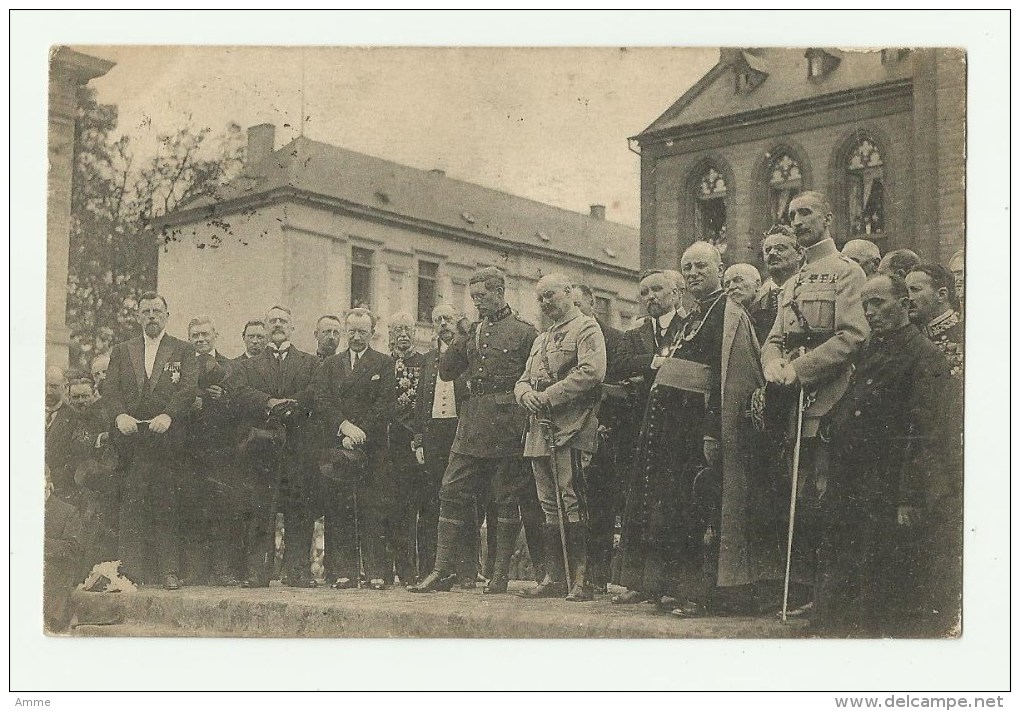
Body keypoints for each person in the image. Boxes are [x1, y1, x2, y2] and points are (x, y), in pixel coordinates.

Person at [616, 242, 779, 616]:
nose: (692, 274)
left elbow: (729, 381)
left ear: (719, 269)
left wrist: (712, 431)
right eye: (687, 268)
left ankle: (702, 595)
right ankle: (671, 587)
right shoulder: (696, 313)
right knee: (674, 509)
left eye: (701, 267)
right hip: (673, 432)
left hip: (699, 429)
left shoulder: (729, 312)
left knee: (699, 509)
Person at [814, 275, 957, 637]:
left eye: (878, 303)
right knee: (849, 566)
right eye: (866, 305)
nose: (871, 312)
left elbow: (926, 434)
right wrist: (831, 423)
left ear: (905, 306)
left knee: (880, 578)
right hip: (855, 481)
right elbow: (856, 399)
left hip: (888, 485)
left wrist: (909, 497)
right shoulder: (874, 350)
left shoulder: (924, 355)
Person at [760, 191, 869, 616]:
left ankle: (831, 596)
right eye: (792, 215)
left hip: (831, 396)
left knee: (827, 493)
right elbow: (774, 338)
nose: (799, 220)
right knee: (799, 493)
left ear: (827, 217)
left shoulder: (847, 272)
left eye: (806, 213)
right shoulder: (793, 282)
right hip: (794, 401)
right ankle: (807, 591)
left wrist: (801, 369)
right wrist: (772, 365)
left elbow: (853, 336)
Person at [409, 267, 537, 595]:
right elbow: (448, 370)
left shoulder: (524, 333)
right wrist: (465, 333)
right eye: (474, 297)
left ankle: (499, 575)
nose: (477, 302)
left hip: (507, 424)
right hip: (471, 424)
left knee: (505, 499)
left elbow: (534, 377)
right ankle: (441, 571)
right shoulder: (475, 331)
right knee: (450, 491)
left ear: (500, 292)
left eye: (483, 296)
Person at [514, 274, 606, 601]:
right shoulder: (541, 338)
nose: (545, 302)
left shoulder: (586, 328)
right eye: (540, 298)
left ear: (568, 293)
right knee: (548, 504)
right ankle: (555, 576)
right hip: (539, 429)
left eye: (550, 295)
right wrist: (524, 394)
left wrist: (549, 395)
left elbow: (592, 371)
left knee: (573, 498)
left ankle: (581, 579)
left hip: (572, 425)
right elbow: (523, 379)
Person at [103, 291, 198, 589]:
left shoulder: (183, 350)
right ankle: (131, 571)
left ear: (167, 315)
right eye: (146, 312)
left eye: (157, 311)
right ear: (139, 317)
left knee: (166, 502)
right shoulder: (122, 350)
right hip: (132, 441)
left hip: (167, 441)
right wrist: (119, 416)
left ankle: (169, 570)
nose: (152, 316)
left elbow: (188, 388)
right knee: (131, 503)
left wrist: (168, 416)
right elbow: (111, 390)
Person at [229, 305, 319, 588]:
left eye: (283, 321)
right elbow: (241, 392)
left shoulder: (309, 362)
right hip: (262, 447)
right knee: (260, 509)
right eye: (273, 321)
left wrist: (294, 406)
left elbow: (315, 391)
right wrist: (269, 404)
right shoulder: (248, 365)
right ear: (266, 328)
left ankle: (298, 571)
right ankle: (258, 571)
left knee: (299, 509)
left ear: (292, 327)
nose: (278, 325)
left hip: (297, 447)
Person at [314, 308, 396, 590]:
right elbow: (323, 401)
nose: (357, 336)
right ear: (346, 332)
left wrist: (360, 433)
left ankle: (376, 572)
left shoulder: (384, 364)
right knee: (340, 508)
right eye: (352, 331)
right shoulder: (330, 365)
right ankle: (344, 572)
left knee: (372, 508)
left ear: (372, 333)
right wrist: (344, 427)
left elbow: (385, 405)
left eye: (363, 331)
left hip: (371, 449)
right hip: (339, 445)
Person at [570, 283, 635, 593]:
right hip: (567, 431)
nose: (572, 312)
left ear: (592, 303)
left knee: (601, 504)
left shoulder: (615, 339)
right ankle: (573, 576)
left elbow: (622, 385)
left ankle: (598, 575)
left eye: (577, 304)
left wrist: (604, 419)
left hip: (605, 433)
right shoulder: (562, 341)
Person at [180, 316, 244, 586]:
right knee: (194, 509)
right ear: (190, 338)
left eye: (205, 334)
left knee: (223, 510)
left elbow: (242, 404)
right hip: (191, 451)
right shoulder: (183, 367)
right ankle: (195, 570)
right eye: (195, 335)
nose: (201, 339)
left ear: (215, 334)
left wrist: (223, 399)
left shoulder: (231, 366)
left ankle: (222, 570)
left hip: (222, 451)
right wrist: (189, 403)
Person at [412, 304, 470, 582]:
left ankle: (468, 569)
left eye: (448, 319)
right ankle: (433, 568)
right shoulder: (428, 359)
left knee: (464, 499)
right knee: (433, 500)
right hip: (434, 433)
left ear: (457, 322)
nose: (443, 324)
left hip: (460, 431)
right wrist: (419, 439)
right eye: (438, 320)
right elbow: (421, 400)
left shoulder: (468, 353)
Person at [386, 311, 426, 585]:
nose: (403, 334)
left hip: (416, 443)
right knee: (393, 508)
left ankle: (419, 569)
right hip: (389, 445)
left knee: (416, 507)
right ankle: (394, 568)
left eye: (407, 329)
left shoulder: (424, 363)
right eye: (397, 329)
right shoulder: (383, 364)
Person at [906, 263, 964, 379]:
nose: (908, 298)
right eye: (906, 291)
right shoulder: (913, 336)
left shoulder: (963, 334)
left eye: (915, 290)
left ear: (942, 295)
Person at [749, 225, 802, 344]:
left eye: (780, 248)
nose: (772, 253)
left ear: (799, 254)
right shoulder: (755, 302)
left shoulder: (809, 290)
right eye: (767, 250)